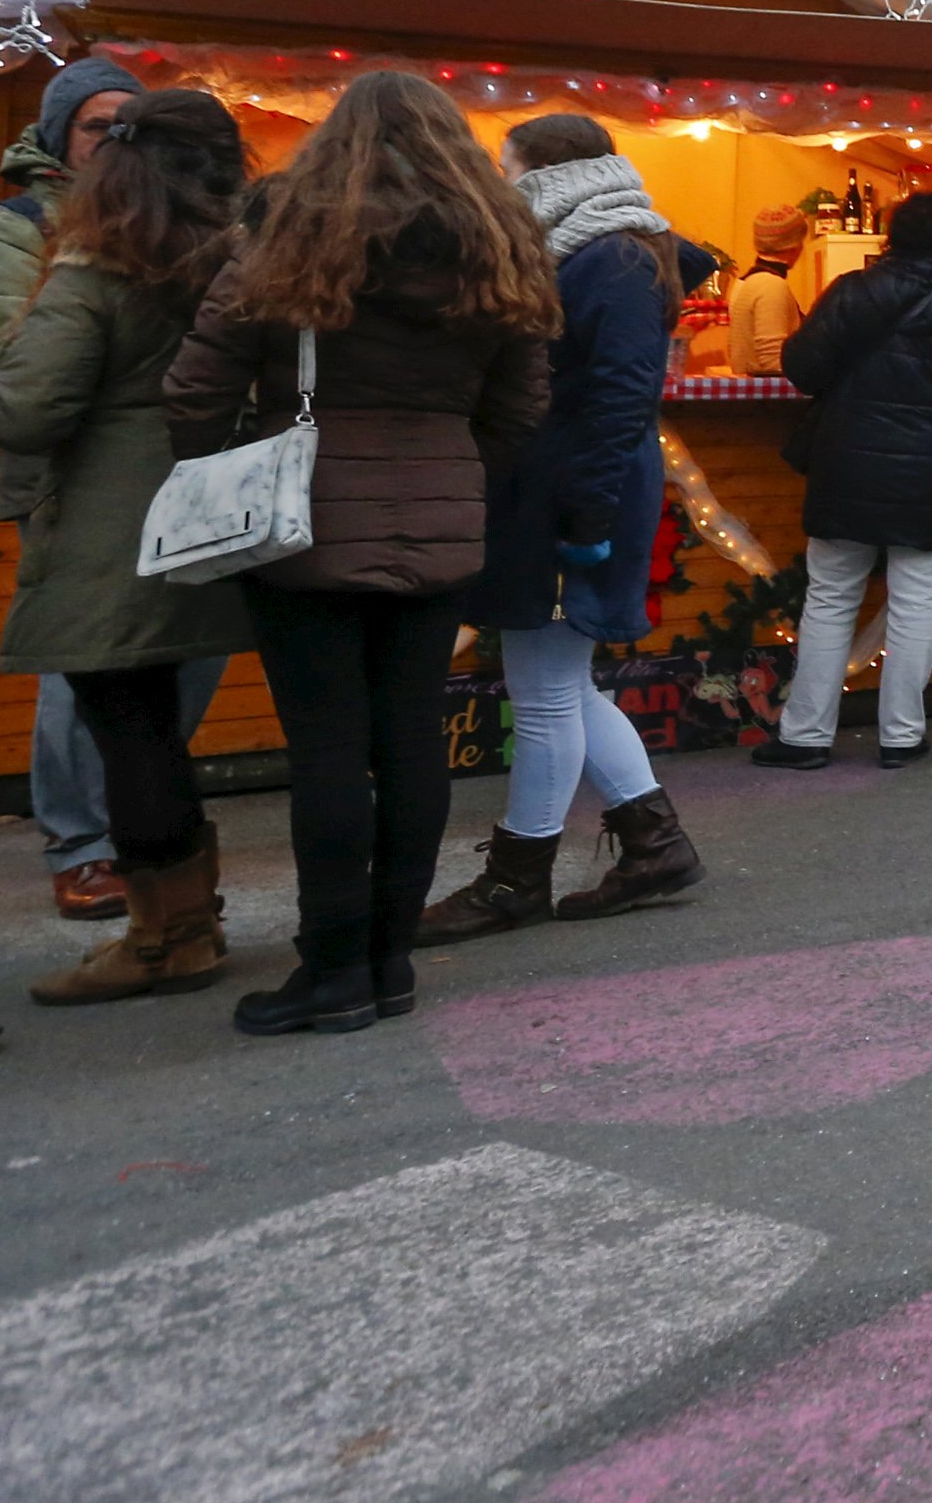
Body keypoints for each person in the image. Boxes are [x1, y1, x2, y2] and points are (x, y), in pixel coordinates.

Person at [170, 73, 555, 1034]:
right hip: (440, 528)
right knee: (412, 739)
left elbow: (192, 391)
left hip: (303, 529)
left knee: (329, 750)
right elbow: (517, 412)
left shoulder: (283, 237)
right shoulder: (500, 249)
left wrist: (233, 463)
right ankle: (391, 966)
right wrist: (443, 468)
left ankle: (331, 970)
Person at [0, 89, 255, 1008]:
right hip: (210, 511)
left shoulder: (96, 266)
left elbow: (28, 406)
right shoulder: (244, 262)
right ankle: (188, 919)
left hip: (111, 524)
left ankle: (166, 935)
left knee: (128, 730)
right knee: (157, 733)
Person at [423, 114, 707, 942]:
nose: (501, 186)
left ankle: (518, 877)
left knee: (544, 692)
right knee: (561, 685)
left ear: (544, 173)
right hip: (567, 486)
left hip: (573, 492)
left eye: (509, 169)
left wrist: (585, 511)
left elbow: (621, 393)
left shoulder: (610, 256)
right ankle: (656, 843)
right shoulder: (604, 250)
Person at [760, 190, 932, 769]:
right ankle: (900, 735)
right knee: (916, 600)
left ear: (891, 238)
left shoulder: (852, 292)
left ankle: (804, 738)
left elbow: (800, 368)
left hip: (848, 464)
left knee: (829, 598)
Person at [727, 205, 808, 372]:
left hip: (750, 395)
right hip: (765, 397)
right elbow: (773, 363)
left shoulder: (744, 283)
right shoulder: (771, 286)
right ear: (794, 246)